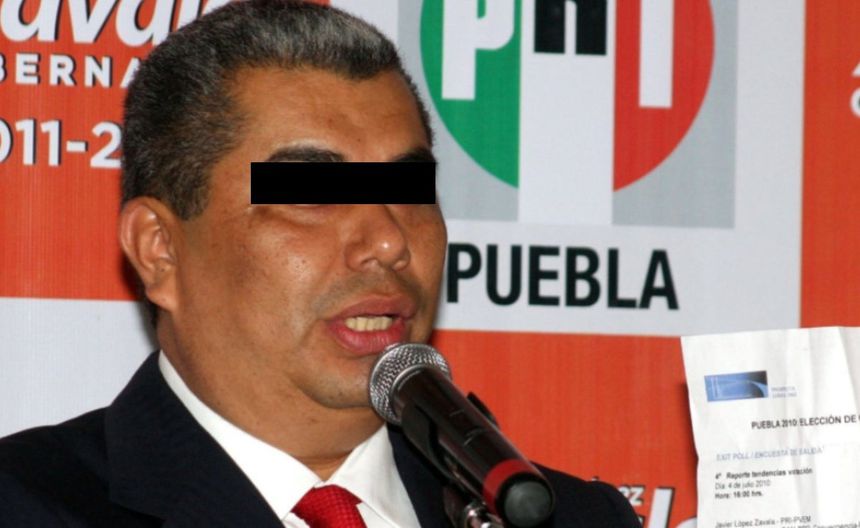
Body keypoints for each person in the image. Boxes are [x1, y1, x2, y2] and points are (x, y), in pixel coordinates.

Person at [0, 1, 640, 526]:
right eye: (313, 194)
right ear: (158, 249)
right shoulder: (25, 505)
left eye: (409, 190)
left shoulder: (571, 518)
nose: (387, 241)